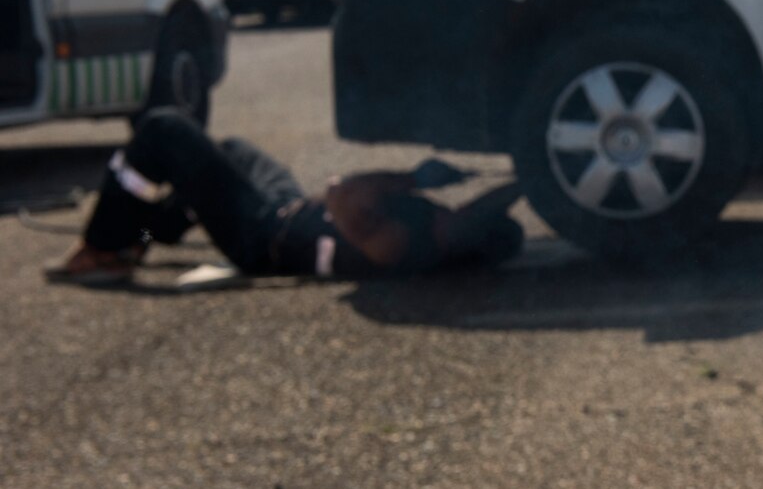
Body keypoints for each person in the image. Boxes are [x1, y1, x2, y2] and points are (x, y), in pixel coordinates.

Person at [46, 109, 524, 286]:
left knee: (162, 130)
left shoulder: (403, 248)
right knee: (232, 151)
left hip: (261, 235)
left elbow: (342, 194)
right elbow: (494, 205)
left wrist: (416, 178)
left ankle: (105, 249)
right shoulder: (446, 232)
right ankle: (149, 233)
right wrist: (533, 175)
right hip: (287, 206)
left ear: (469, 240)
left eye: (470, 215)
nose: (464, 208)